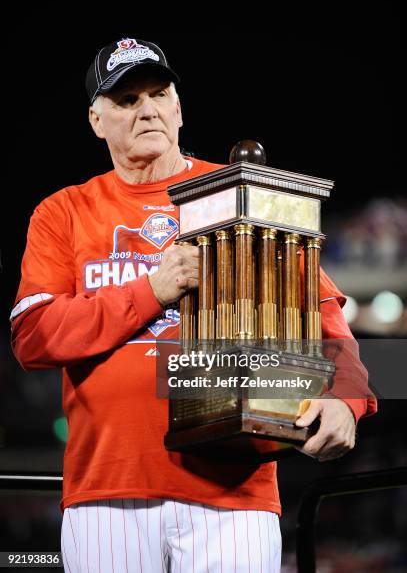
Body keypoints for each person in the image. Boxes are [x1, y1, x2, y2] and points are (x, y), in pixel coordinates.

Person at [11, 37, 376, 572]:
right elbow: (33, 336)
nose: (148, 110)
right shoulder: (63, 211)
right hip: (106, 487)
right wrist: (151, 291)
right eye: (127, 100)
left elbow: (322, 313)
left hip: (233, 487)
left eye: (158, 94)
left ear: (178, 107)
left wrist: (348, 398)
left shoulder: (238, 193)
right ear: (96, 119)